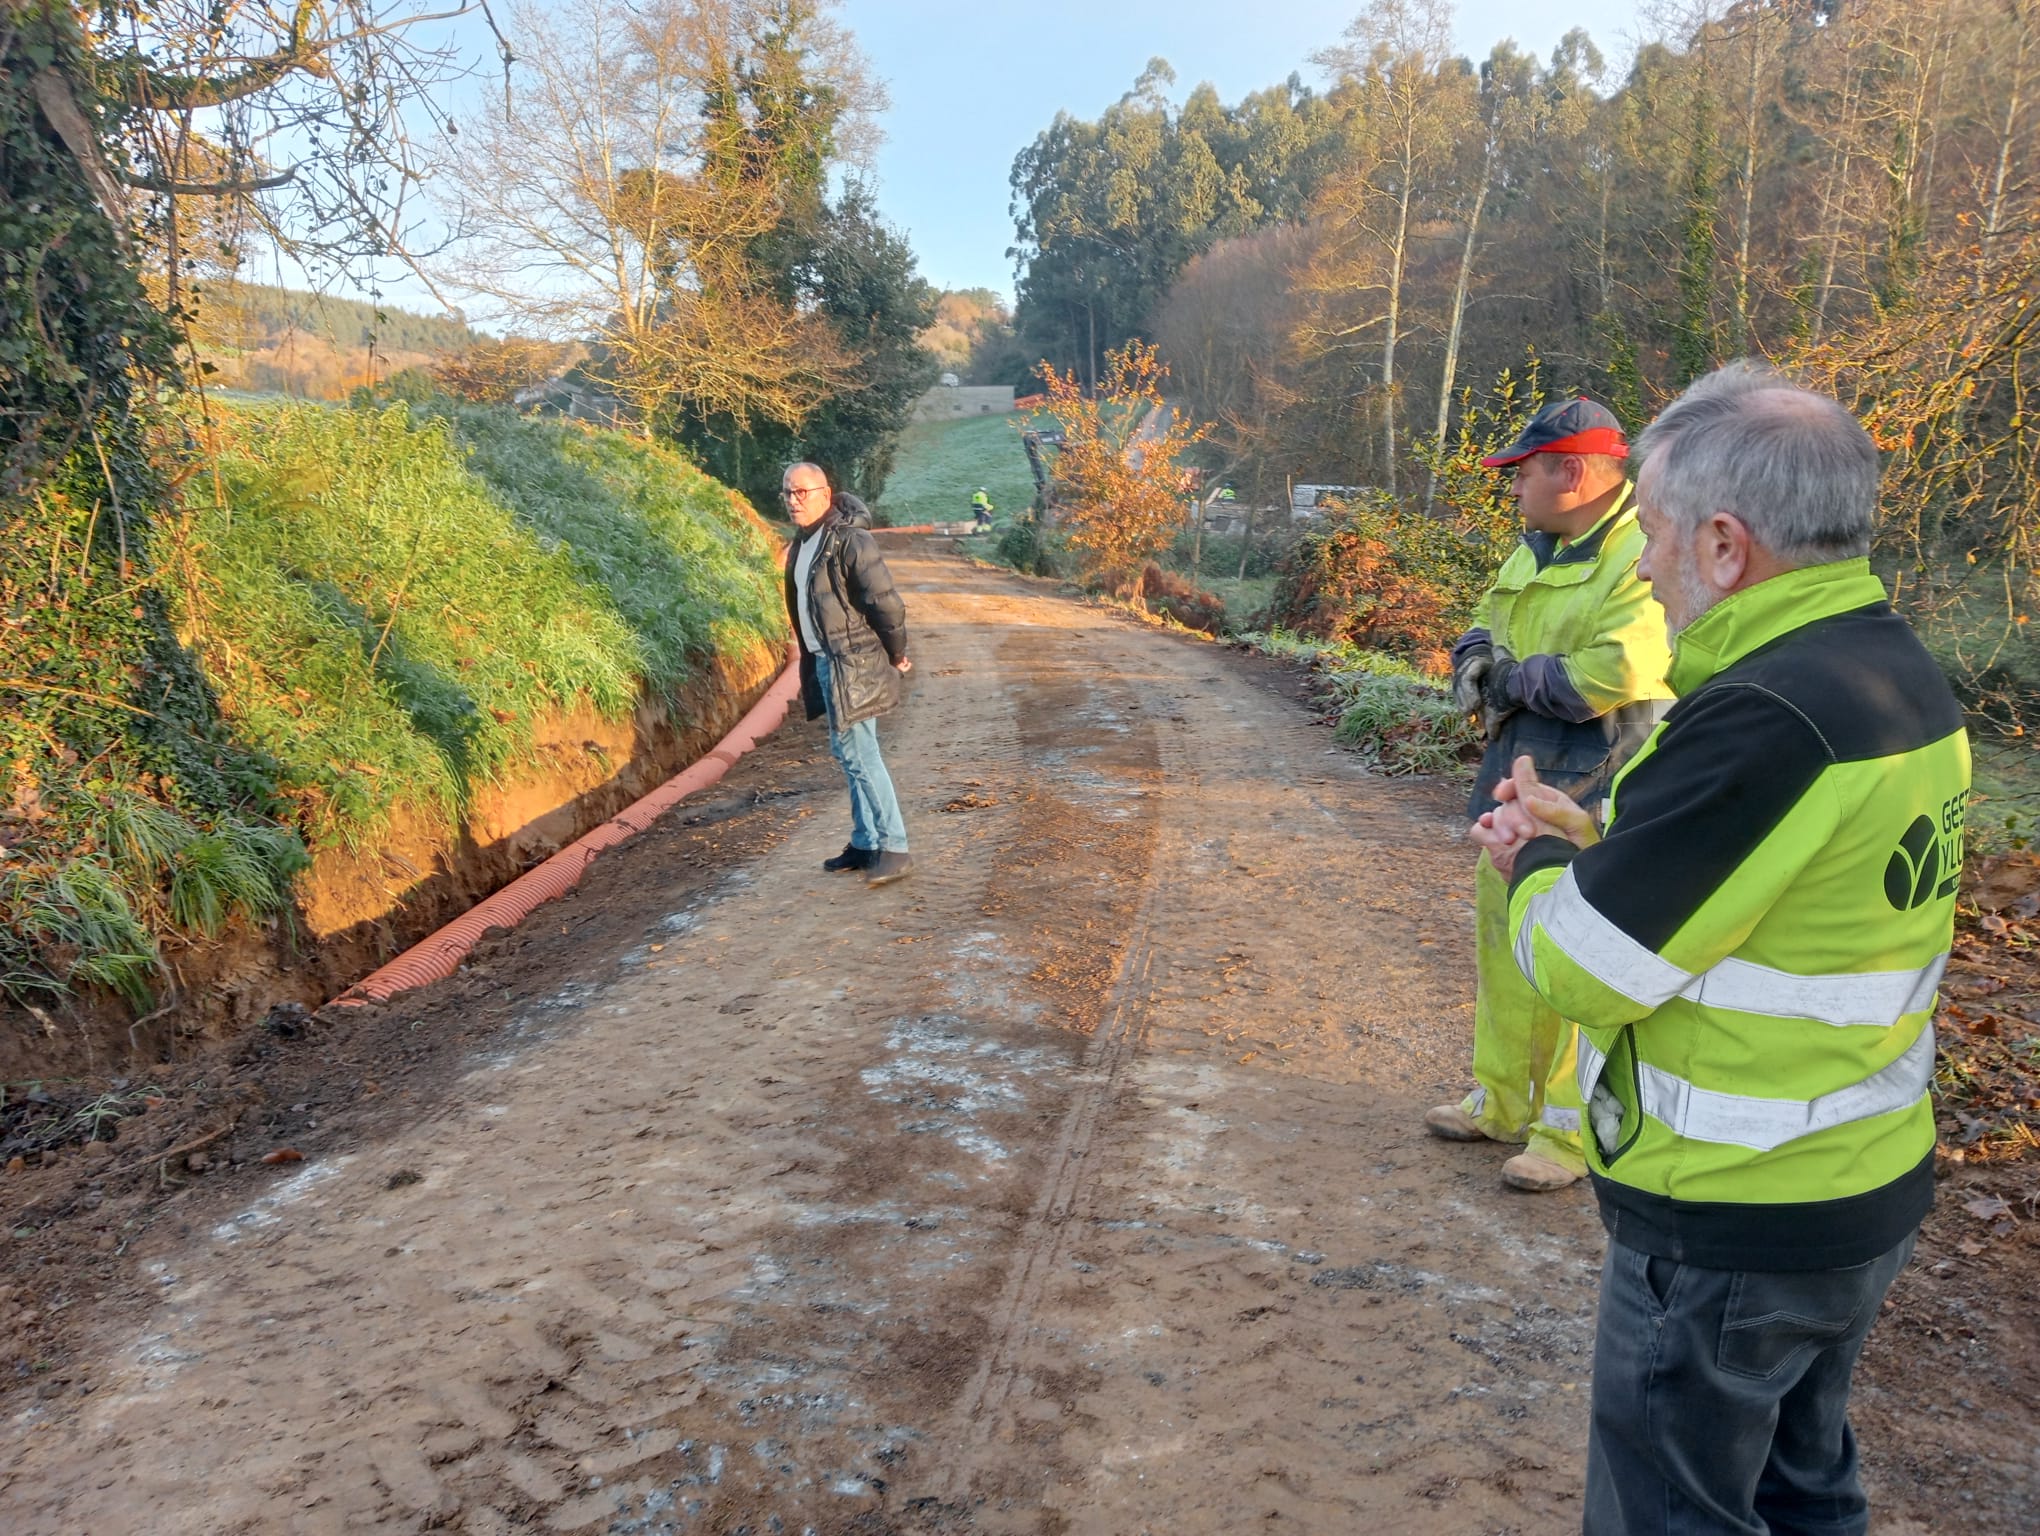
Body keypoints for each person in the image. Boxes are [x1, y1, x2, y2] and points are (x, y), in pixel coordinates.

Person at [1472, 361, 1966, 1536]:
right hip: (1857, 1186)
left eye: (1652, 534)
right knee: (1805, 1492)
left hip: (1731, 1222)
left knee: (1675, 1512)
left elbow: (1586, 966)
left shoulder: (1763, 715)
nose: (1642, 564)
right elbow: (1778, 894)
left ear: (1728, 546)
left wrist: (1536, 863)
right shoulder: (1894, 675)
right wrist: (1598, 835)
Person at [1430, 396, 1674, 1192]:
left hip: (1595, 792)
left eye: (1524, 473)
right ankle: (1499, 1099)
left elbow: (1616, 675)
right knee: (1505, 947)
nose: (1514, 489)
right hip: (1517, 776)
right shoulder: (1537, 548)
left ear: (1570, 472)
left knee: (1574, 961)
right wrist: (1474, 657)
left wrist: (1506, 679)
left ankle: (1566, 1137)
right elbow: (1488, 625)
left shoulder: (1640, 548)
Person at [781, 462, 914, 886]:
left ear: (825, 492)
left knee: (860, 756)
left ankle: (894, 845)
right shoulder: (803, 544)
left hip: (853, 662)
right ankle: (865, 842)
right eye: (787, 493)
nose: (793, 501)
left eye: (802, 492)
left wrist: (897, 653)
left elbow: (884, 601)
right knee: (849, 755)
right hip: (825, 662)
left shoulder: (850, 541)